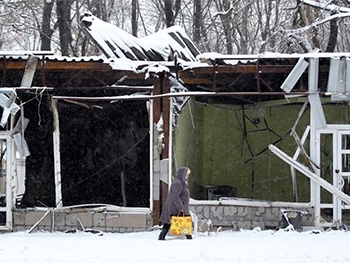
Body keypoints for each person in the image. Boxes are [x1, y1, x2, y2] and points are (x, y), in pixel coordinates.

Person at [158, 167, 192, 240]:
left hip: (178, 207)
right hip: (176, 207)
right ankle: (188, 236)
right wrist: (181, 207)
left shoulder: (181, 182)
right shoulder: (178, 183)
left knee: (173, 222)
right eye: (187, 174)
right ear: (182, 174)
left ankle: (162, 236)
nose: (188, 176)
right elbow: (175, 196)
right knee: (183, 221)